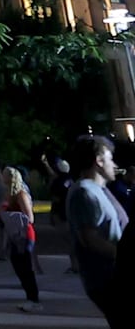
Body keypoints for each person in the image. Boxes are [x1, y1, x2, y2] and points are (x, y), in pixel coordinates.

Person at [65, 134, 128, 326]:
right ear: (99, 161)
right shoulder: (85, 193)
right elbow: (90, 240)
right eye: (110, 159)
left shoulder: (97, 190)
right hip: (109, 281)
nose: (114, 165)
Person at [0, 167, 40, 312]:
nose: (2, 179)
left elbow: (29, 217)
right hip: (14, 234)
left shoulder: (21, 194)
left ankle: (34, 299)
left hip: (24, 234)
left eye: (4, 176)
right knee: (18, 266)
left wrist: (10, 215)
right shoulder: (8, 194)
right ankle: (30, 297)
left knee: (25, 266)